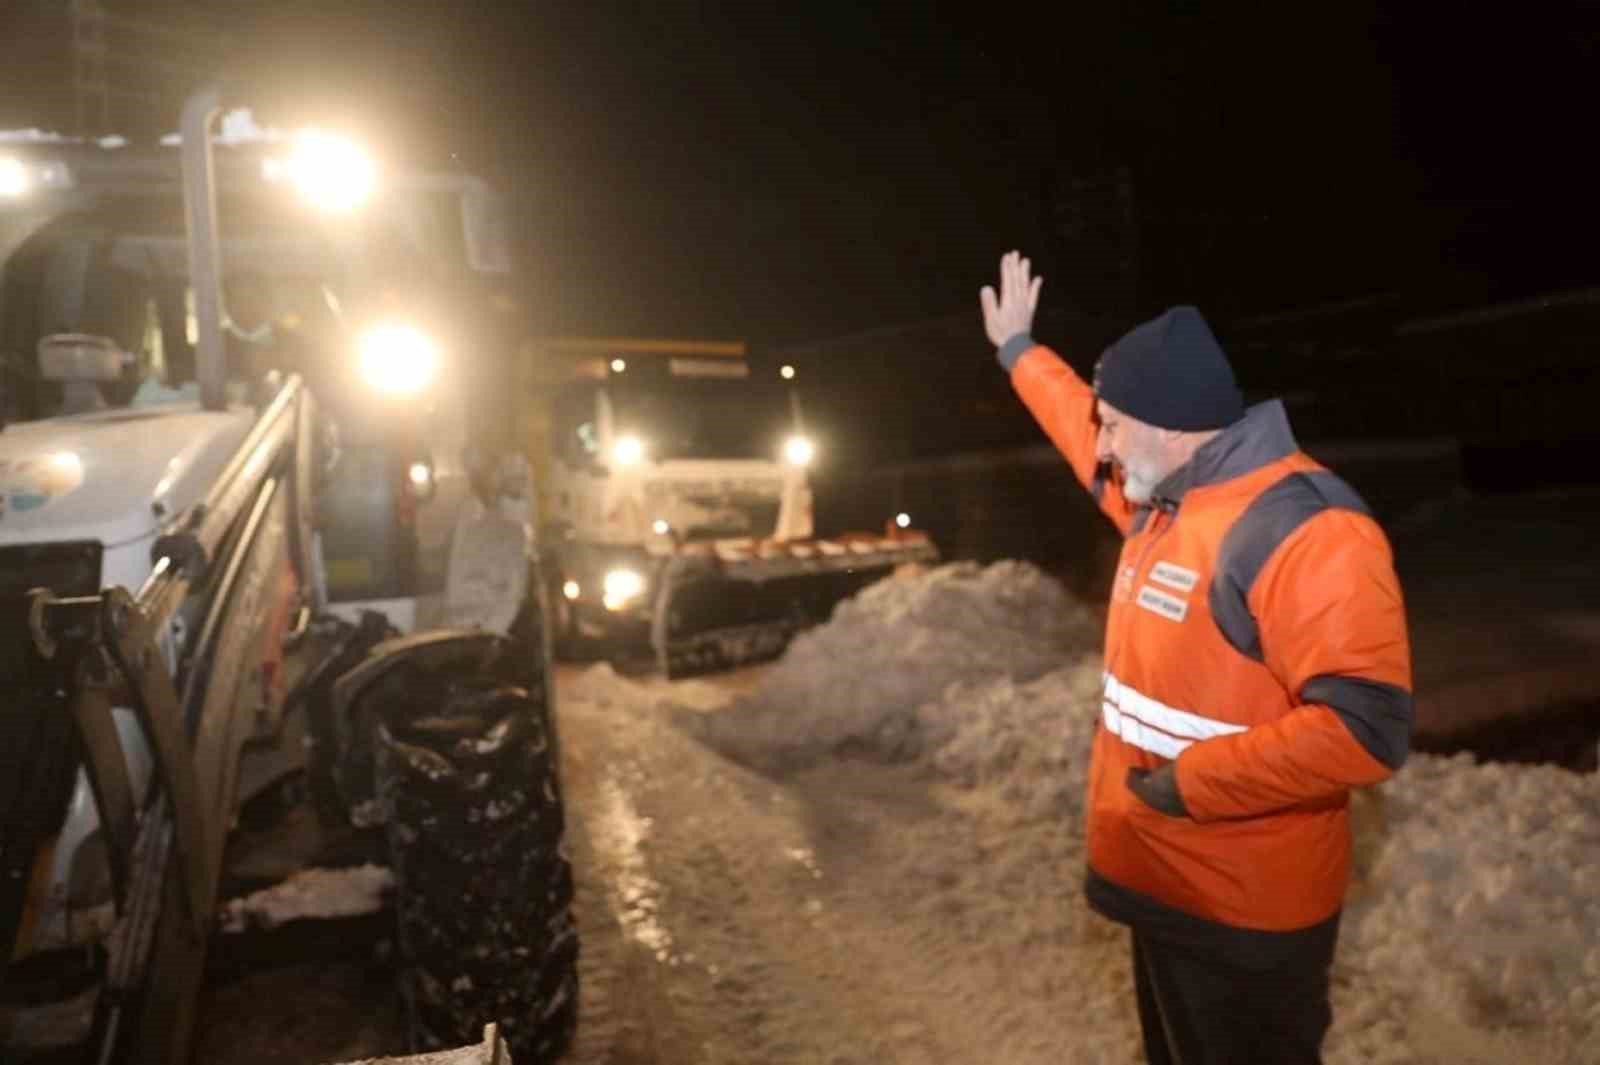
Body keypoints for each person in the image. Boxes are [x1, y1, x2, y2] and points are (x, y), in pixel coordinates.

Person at [980, 251, 1412, 1065]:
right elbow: (1079, 426)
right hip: (1165, 878)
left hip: (1244, 911)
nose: (1100, 441)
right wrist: (1020, 352)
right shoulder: (1165, 500)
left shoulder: (1305, 530)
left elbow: (1366, 729)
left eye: (1115, 421)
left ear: (1169, 424)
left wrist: (1187, 786)